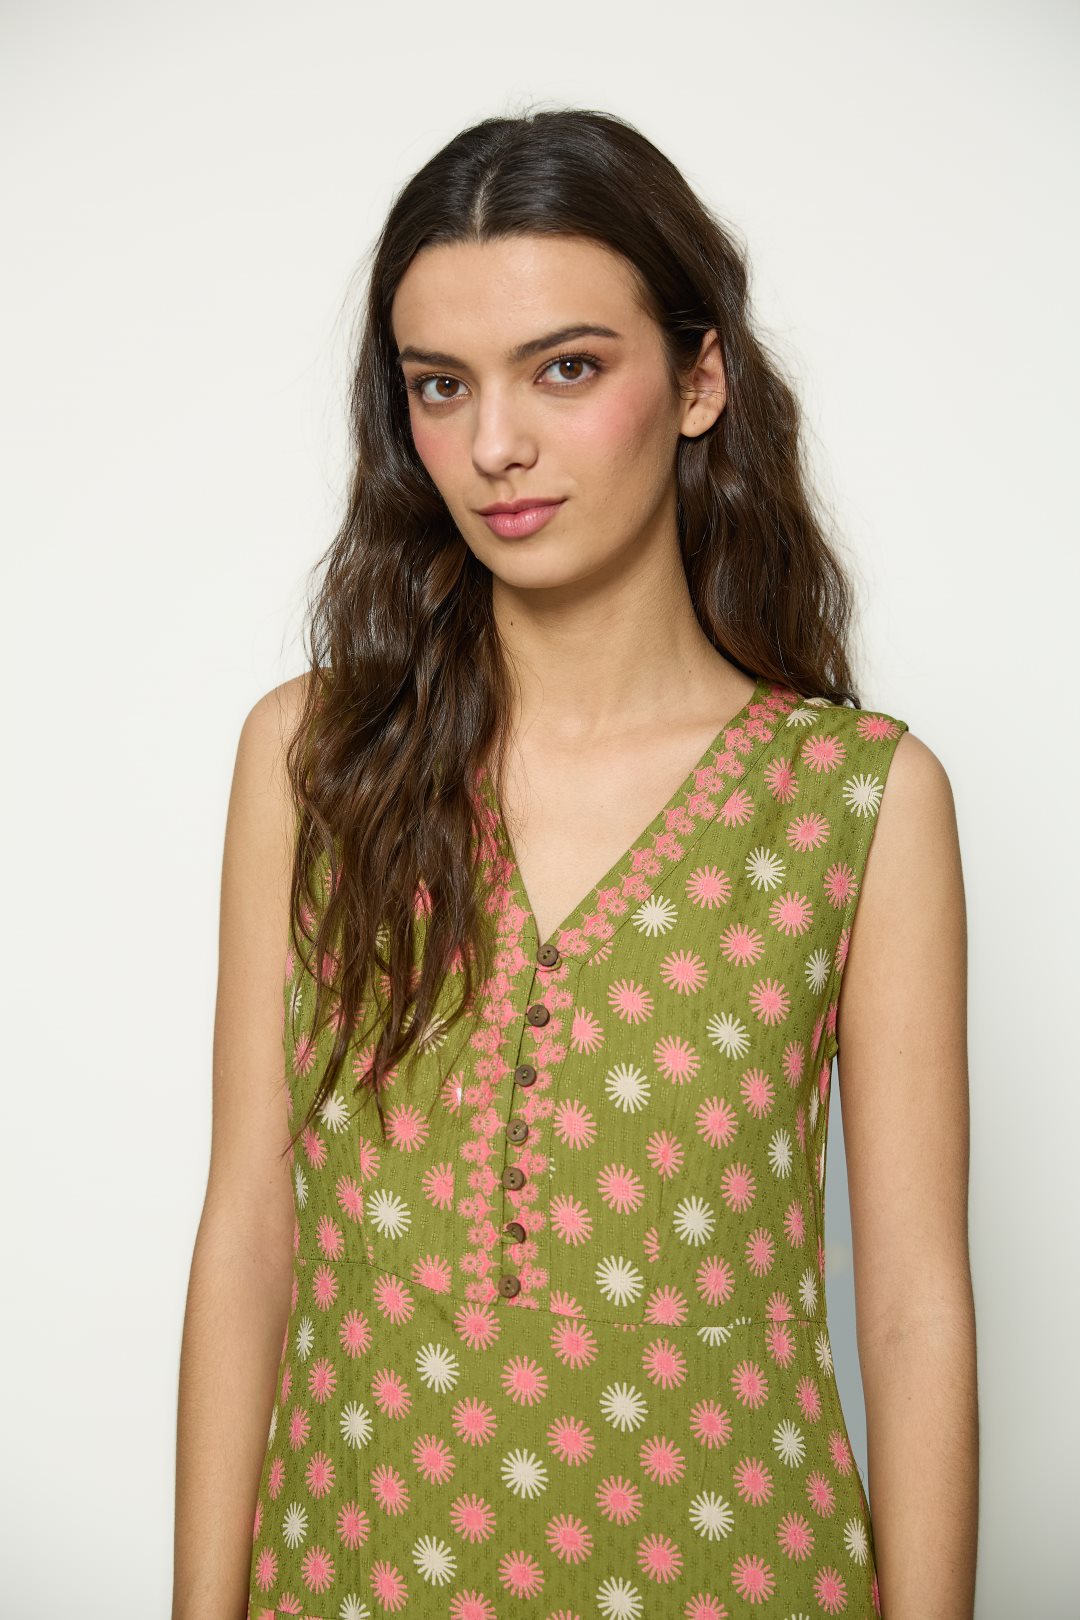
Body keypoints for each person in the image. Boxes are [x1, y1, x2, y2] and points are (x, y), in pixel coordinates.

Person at [173, 107, 978, 1620]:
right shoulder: (315, 759)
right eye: (441, 384)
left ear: (700, 380)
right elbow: (249, 1237)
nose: (495, 446)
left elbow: (916, 1309)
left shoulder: (856, 801)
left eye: (566, 368)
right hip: (356, 1575)